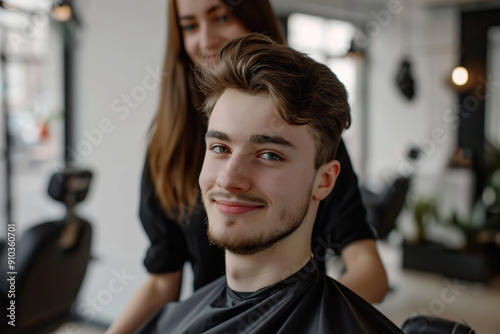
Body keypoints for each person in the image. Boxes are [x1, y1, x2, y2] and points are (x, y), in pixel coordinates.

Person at [107, 0, 387, 332]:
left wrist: (306, 317)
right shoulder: (169, 146)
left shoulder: (309, 135)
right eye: (219, 148)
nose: (230, 178)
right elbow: (161, 281)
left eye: (222, 17)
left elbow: (367, 266)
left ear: (323, 179)